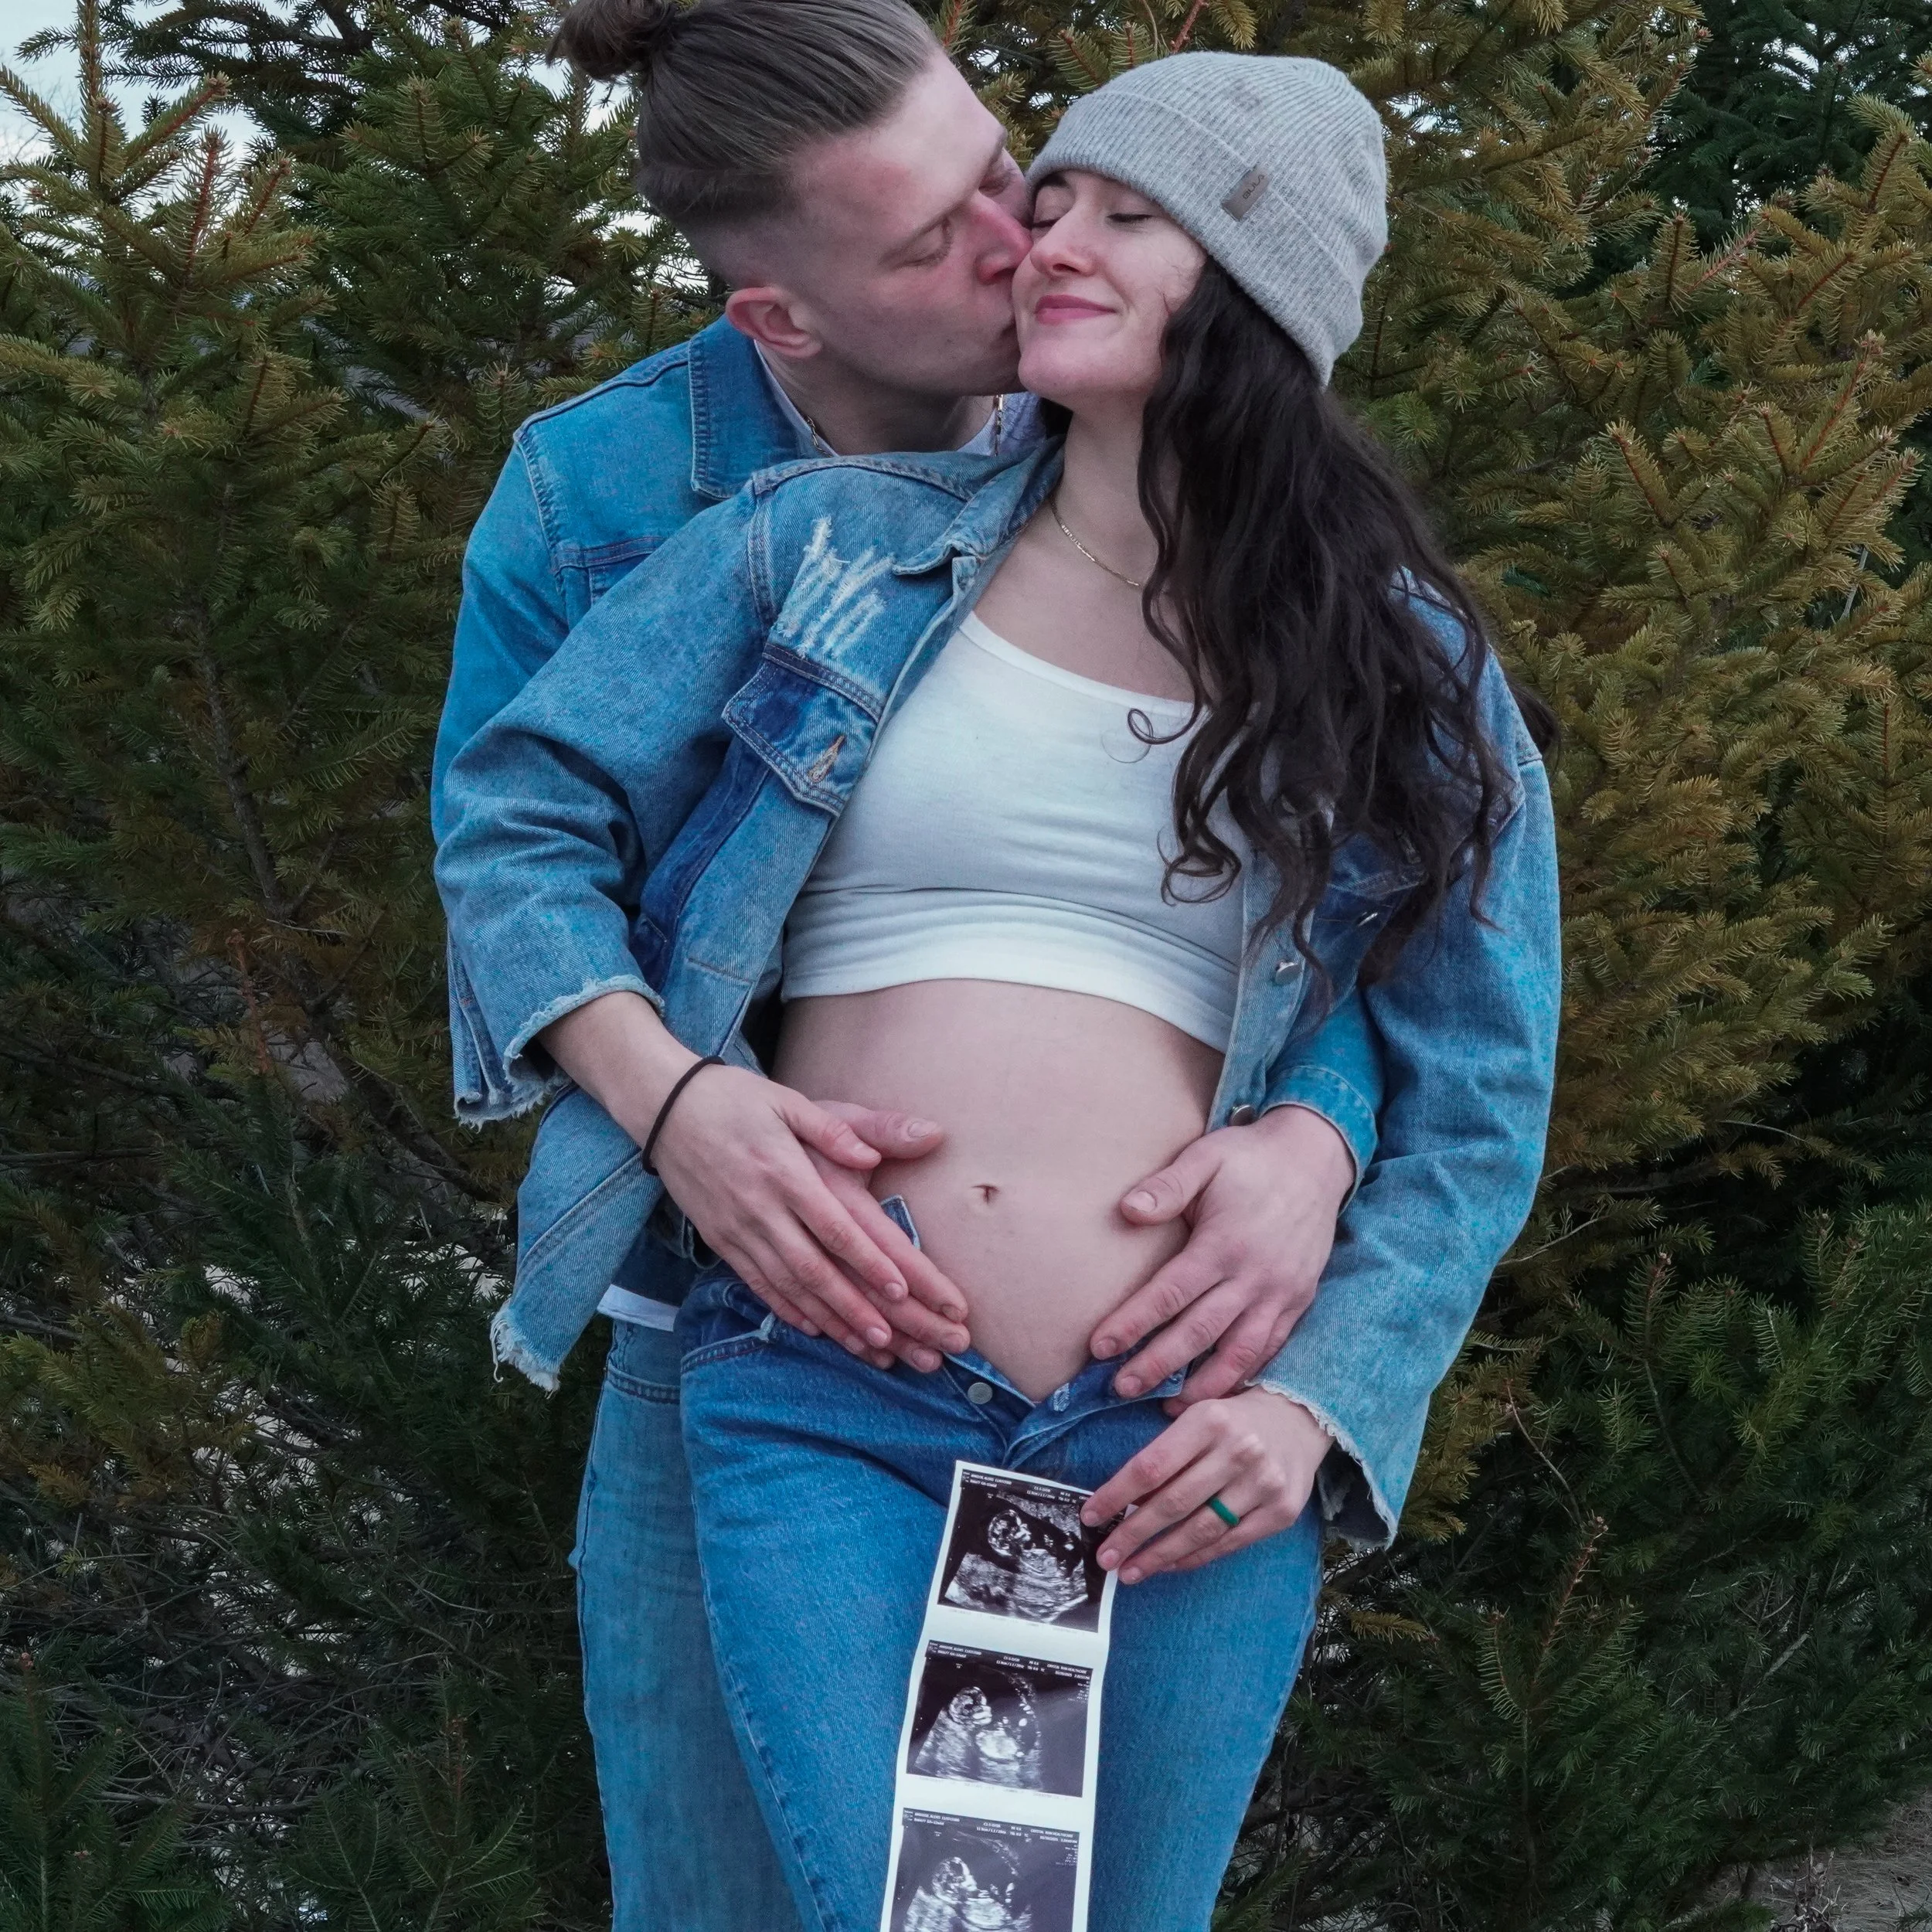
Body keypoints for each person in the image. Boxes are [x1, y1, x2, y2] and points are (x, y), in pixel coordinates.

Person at [437, 42, 1561, 1932]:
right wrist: (680, 1095)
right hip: (827, 1373)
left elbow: (1472, 1057)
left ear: (1259, 295)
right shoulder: (795, 536)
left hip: (1170, 1415)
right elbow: (520, 817)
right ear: (781, 310)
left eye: (1080, 199)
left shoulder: (1393, 660)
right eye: (1045, 199)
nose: (1028, 236)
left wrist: (1318, 1344)